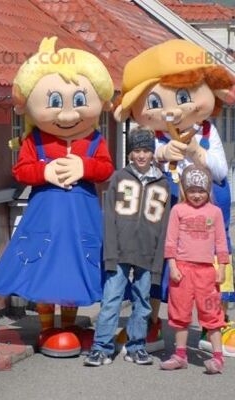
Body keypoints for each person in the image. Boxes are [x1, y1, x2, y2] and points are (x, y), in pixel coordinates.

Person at [0, 36, 115, 357]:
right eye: (55, 102)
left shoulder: (95, 139)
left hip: (82, 218)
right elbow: (21, 171)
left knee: (73, 269)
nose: (67, 115)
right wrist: (45, 172)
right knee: (43, 267)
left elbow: (106, 169)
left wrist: (84, 166)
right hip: (45, 217)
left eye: (79, 100)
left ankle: (68, 325)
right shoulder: (35, 141)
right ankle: (46, 326)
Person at [113, 39, 234, 353]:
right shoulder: (150, 136)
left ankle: (214, 328)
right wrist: (160, 154)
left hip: (206, 218)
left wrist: (197, 153)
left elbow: (221, 171)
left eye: (184, 96)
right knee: (157, 268)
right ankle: (150, 324)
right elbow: (133, 169)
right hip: (162, 219)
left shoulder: (207, 132)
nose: (173, 109)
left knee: (212, 271)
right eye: (156, 102)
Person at [84, 128, 170, 366]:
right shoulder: (119, 178)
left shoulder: (162, 184)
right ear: (130, 153)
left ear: (153, 153)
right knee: (111, 298)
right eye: (137, 150)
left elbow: (163, 226)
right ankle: (101, 347)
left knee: (142, 300)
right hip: (119, 250)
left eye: (146, 150)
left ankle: (137, 346)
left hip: (147, 251)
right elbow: (109, 219)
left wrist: (158, 261)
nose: (141, 155)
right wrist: (110, 253)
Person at [160, 165, 228, 374]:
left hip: (207, 272)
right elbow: (170, 241)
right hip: (182, 270)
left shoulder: (215, 212)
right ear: (184, 190)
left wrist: (223, 267)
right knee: (180, 313)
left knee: (211, 313)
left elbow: (221, 242)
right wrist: (172, 265)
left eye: (201, 191)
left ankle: (217, 357)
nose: (196, 195)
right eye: (192, 191)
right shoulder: (178, 210)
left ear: (208, 191)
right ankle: (180, 354)